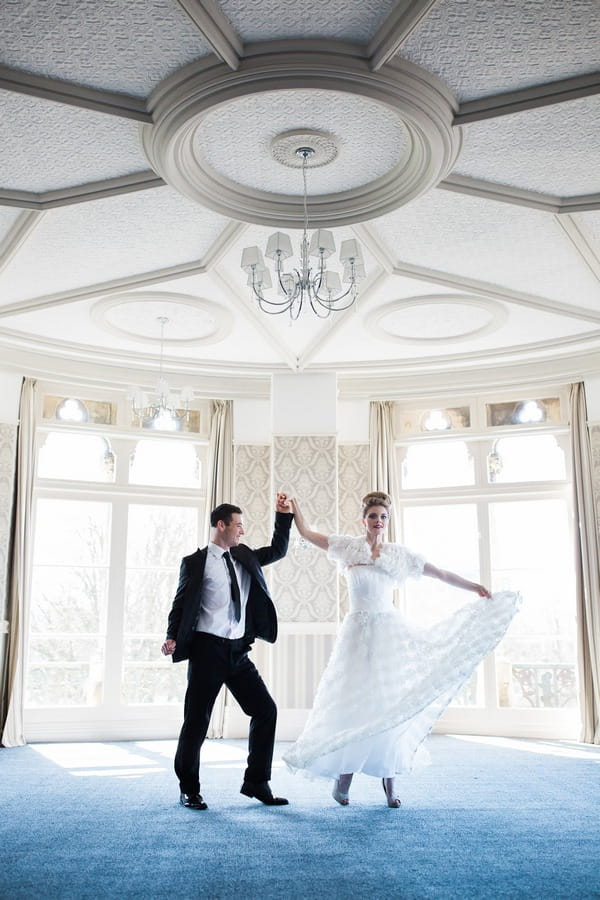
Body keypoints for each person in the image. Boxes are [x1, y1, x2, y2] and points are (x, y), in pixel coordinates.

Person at [283, 491, 520, 808]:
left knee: (388, 703)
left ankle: (390, 784)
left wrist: (473, 586)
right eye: (372, 516)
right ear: (363, 519)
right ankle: (344, 779)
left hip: (389, 633)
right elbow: (308, 534)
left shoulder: (399, 555)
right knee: (351, 704)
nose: (377, 521)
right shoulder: (348, 547)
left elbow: (440, 573)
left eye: (382, 517)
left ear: (387, 521)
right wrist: (295, 507)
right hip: (355, 635)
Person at [161, 493, 294, 810]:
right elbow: (181, 604)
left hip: (238, 653)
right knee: (196, 722)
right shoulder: (195, 563)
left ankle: (257, 783)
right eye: (238, 525)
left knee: (265, 711)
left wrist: (282, 515)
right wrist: (171, 636)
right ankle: (188, 789)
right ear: (221, 525)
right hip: (207, 651)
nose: (242, 531)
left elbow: (278, 550)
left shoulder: (245, 556)